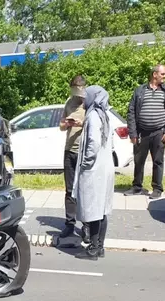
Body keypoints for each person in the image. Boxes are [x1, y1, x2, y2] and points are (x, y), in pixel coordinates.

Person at [73, 85, 115, 261]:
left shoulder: (93, 116)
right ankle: (100, 247)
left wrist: (85, 163)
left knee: (93, 209)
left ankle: (93, 249)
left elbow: (93, 142)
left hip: (94, 169)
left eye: (86, 96)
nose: (84, 100)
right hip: (106, 168)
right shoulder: (105, 114)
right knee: (102, 209)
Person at [125, 64, 165, 199]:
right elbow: (131, 112)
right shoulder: (140, 91)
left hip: (159, 132)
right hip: (141, 133)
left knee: (158, 161)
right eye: (163, 74)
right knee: (139, 160)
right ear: (155, 74)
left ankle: (157, 189)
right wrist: (132, 133)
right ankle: (137, 187)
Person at [58, 75, 88, 240]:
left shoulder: (89, 103)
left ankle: (86, 226)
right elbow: (61, 127)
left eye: (78, 90)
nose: (75, 94)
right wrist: (67, 123)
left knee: (83, 190)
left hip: (83, 151)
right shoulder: (69, 103)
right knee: (69, 190)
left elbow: (94, 125)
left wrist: (81, 124)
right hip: (69, 150)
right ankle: (70, 223)